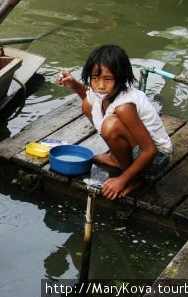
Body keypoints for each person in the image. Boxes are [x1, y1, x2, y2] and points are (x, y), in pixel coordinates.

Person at [56, 44, 172, 200]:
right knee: (87, 104)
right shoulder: (104, 91)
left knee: (110, 126)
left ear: (121, 78)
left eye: (108, 79)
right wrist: (75, 85)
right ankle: (118, 159)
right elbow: (89, 96)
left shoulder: (125, 106)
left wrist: (122, 179)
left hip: (155, 159)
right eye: (95, 78)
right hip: (141, 152)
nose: (101, 85)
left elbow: (149, 150)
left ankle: (134, 178)